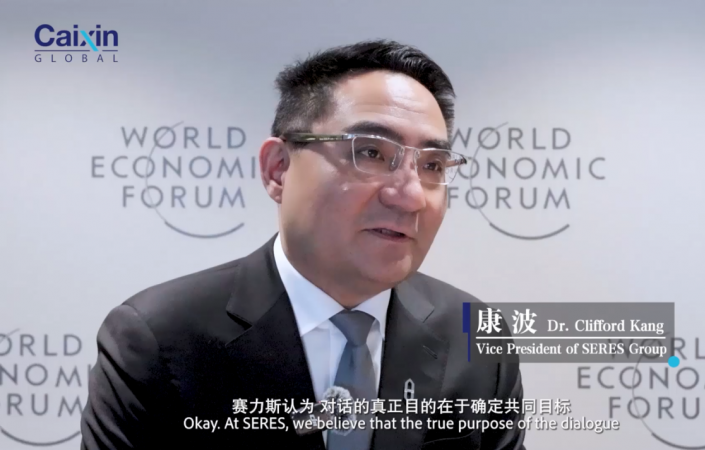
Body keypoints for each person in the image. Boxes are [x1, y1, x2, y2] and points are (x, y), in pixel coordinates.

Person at [80, 40, 525, 450]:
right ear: (278, 169)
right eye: (371, 153)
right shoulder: (159, 337)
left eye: (432, 165)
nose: (410, 196)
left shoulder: (475, 336)